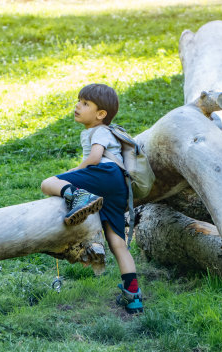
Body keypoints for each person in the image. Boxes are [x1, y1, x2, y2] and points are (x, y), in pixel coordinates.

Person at [40, 83, 143, 314]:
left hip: (105, 175)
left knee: (47, 183)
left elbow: (95, 157)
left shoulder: (100, 131)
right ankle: (133, 295)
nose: (78, 105)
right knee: (118, 243)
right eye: (79, 101)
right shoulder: (100, 130)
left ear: (100, 114)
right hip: (118, 187)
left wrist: (77, 171)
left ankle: (77, 195)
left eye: (85, 103)